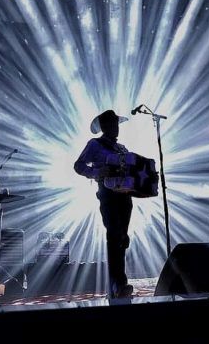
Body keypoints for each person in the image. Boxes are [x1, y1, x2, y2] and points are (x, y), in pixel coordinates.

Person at [74, 109, 134, 299]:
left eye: (116, 123)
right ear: (105, 127)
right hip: (108, 194)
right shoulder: (94, 144)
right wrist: (96, 173)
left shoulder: (122, 148)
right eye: (112, 124)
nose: (116, 127)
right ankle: (118, 284)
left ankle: (118, 284)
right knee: (114, 235)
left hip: (125, 196)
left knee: (122, 238)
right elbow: (78, 165)